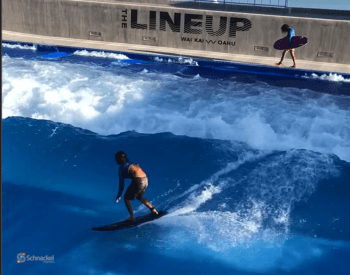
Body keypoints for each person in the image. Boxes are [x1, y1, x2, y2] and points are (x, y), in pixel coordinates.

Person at [115, 151, 158, 222]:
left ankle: (132, 217)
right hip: (145, 179)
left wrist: (119, 195)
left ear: (119, 159)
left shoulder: (121, 168)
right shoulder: (132, 163)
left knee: (126, 198)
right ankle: (153, 210)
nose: (115, 160)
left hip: (139, 180)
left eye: (116, 159)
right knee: (139, 197)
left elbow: (121, 184)